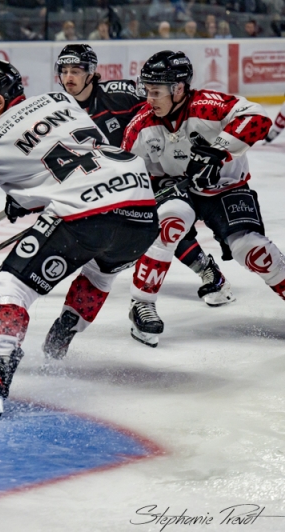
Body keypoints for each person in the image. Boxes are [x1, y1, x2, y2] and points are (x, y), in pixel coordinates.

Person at [0, 60, 159, 416]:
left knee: (8, 287)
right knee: (100, 270)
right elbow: (71, 156)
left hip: (84, 213)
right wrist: (28, 196)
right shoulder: (62, 101)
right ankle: (65, 332)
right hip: (141, 210)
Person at [44, 44, 235, 359]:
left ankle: (203, 271)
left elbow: (157, 112)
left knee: (162, 224)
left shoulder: (118, 95)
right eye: (63, 71)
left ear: (91, 72)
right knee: (105, 256)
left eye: (75, 71)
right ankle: (66, 324)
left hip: (149, 171)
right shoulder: (57, 111)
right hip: (105, 186)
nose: (68, 78)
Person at [122, 50, 285, 347]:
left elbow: (258, 118)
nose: (149, 99)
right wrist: (152, 190)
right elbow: (126, 176)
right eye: (146, 91)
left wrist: (217, 152)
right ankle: (141, 304)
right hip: (179, 192)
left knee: (252, 250)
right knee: (167, 224)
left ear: (179, 88)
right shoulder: (141, 126)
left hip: (226, 188)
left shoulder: (208, 106)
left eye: (155, 92)